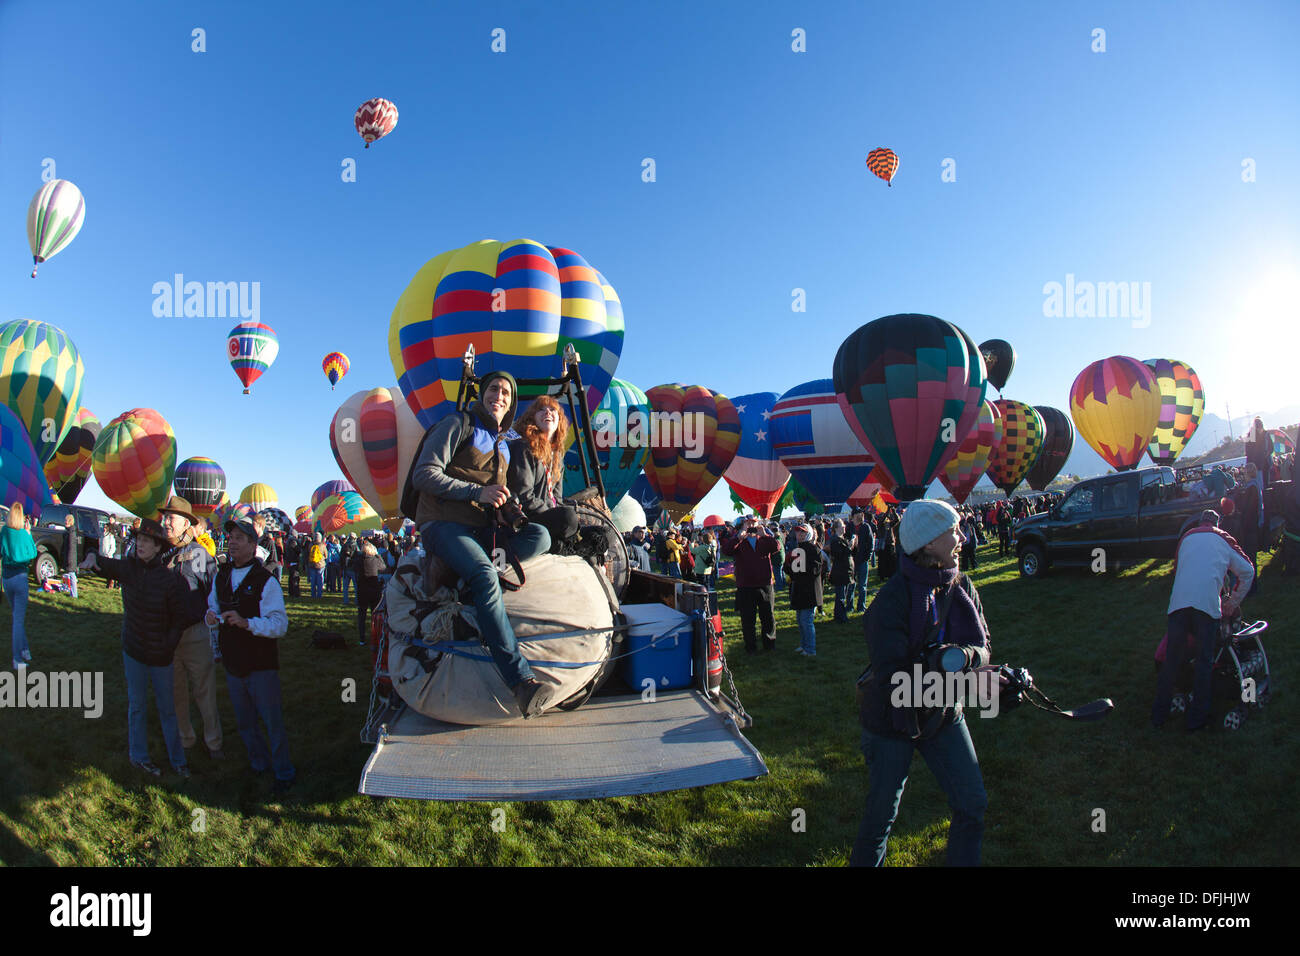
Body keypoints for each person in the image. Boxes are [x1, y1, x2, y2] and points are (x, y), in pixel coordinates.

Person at [405, 370, 555, 718]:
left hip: (479, 530)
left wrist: (504, 507)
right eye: (493, 389)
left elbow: (494, 494)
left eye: (506, 392)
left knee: (541, 536)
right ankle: (520, 682)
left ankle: (458, 576)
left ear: (513, 402)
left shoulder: (503, 444)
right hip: (443, 524)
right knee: (487, 576)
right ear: (482, 394)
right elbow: (425, 473)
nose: (499, 396)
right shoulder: (458, 424)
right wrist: (477, 492)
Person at [851, 500, 992, 867]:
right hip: (891, 721)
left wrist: (970, 661)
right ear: (928, 542)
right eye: (953, 530)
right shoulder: (890, 600)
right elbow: (894, 672)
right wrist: (949, 667)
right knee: (881, 817)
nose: (962, 537)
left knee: (972, 803)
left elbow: (984, 646)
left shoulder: (961, 586)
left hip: (943, 714)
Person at [81, 519, 191, 779]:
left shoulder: (170, 580)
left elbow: (179, 620)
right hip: (134, 652)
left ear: (157, 547)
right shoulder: (129, 569)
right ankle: (138, 757)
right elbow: (103, 562)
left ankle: (178, 760)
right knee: (137, 707)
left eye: (146, 541)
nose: (140, 544)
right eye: (138, 539)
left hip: (160, 656)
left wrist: (168, 646)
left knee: (167, 709)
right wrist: (90, 557)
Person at [205, 517, 294, 792]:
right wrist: (210, 618)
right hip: (233, 663)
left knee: (272, 722)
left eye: (239, 538)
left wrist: (247, 623)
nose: (231, 542)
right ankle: (258, 763)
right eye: (230, 537)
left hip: (260, 663)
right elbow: (211, 607)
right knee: (244, 722)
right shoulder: (220, 577)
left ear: (253, 545)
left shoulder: (266, 581)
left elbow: (280, 625)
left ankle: (283, 772)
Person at [1152, 509, 1254, 732]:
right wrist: (1231, 603)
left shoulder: (1185, 539)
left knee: (1171, 661)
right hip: (1207, 607)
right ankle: (1196, 720)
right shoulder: (1223, 538)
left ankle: (1158, 715)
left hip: (1178, 604)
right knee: (1204, 664)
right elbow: (1247, 571)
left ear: (1199, 523)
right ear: (1217, 523)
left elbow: (1178, 570)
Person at [155, 496, 224, 761]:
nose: (166, 522)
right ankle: (185, 739)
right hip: (167, 635)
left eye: (171, 518)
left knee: (204, 692)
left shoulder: (199, 554)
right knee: (176, 692)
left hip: (195, 634)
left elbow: (212, 589)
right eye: (165, 517)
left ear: (186, 524)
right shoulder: (160, 553)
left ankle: (214, 743)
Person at [509, 396, 581, 547]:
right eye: (541, 410)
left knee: (602, 533)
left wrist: (560, 511)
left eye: (552, 409)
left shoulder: (557, 457)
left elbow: (557, 498)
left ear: (560, 420)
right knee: (568, 518)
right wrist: (555, 513)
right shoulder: (524, 447)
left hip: (551, 516)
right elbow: (525, 496)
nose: (547, 412)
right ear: (531, 418)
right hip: (528, 517)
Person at [721, 516, 780, 653]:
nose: (751, 525)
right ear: (743, 525)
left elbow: (776, 547)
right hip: (745, 585)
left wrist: (765, 535)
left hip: (764, 583)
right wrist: (738, 538)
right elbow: (726, 550)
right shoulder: (740, 541)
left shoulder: (763, 539)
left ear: (758, 524)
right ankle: (750, 646)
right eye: (748, 523)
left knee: (768, 617)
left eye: (754, 523)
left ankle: (769, 644)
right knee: (748, 619)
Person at [2, 503, 38, 668]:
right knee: (18, 620)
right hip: (21, 579)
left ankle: (24, 650)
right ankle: (17, 659)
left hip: (7, 579)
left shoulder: (4, 532)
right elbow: (33, 553)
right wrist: (29, 533)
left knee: (17, 617)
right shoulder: (24, 533)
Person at [784, 523, 824, 657]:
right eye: (798, 532)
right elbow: (793, 573)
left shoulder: (814, 549)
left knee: (807, 621)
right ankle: (804, 645)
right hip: (799, 590)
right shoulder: (797, 550)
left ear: (809, 534)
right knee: (801, 620)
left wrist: (799, 564)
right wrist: (788, 564)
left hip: (809, 591)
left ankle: (810, 649)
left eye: (802, 532)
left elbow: (815, 570)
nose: (799, 535)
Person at [353, 535, 386, 645]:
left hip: (362, 591)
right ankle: (375, 637)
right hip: (374, 591)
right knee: (375, 616)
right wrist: (378, 556)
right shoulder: (375, 560)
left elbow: (353, 566)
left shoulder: (359, 560)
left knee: (361, 616)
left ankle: (362, 639)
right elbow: (383, 567)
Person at [828, 519, 855, 623]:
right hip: (841, 571)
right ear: (836, 528)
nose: (844, 527)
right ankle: (841, 617)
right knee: (841, 596)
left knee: (842, 594)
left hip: (845, 571)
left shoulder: (841, 539)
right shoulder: (835, 540)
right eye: (842, 525)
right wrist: (849, 546)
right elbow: (839, 555)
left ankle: (839, 615)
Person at [851, 512, 874, 613]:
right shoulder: (849, 526)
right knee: (851, 584)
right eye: (857, 515)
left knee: (862, 585)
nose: (859, 516)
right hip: (852, 560)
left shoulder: (866, 527)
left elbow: (870, 542)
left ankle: (861, 606)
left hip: (862, 559)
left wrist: (867, 557)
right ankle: (849, 606)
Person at [307, 533, 326, 598]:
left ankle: (313, 594)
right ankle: (319, 595)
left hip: (312, 564)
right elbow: (326, 555)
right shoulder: (322, 545)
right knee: (320, 580)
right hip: (320, 565)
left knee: (313, 581)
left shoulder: (310, 545)